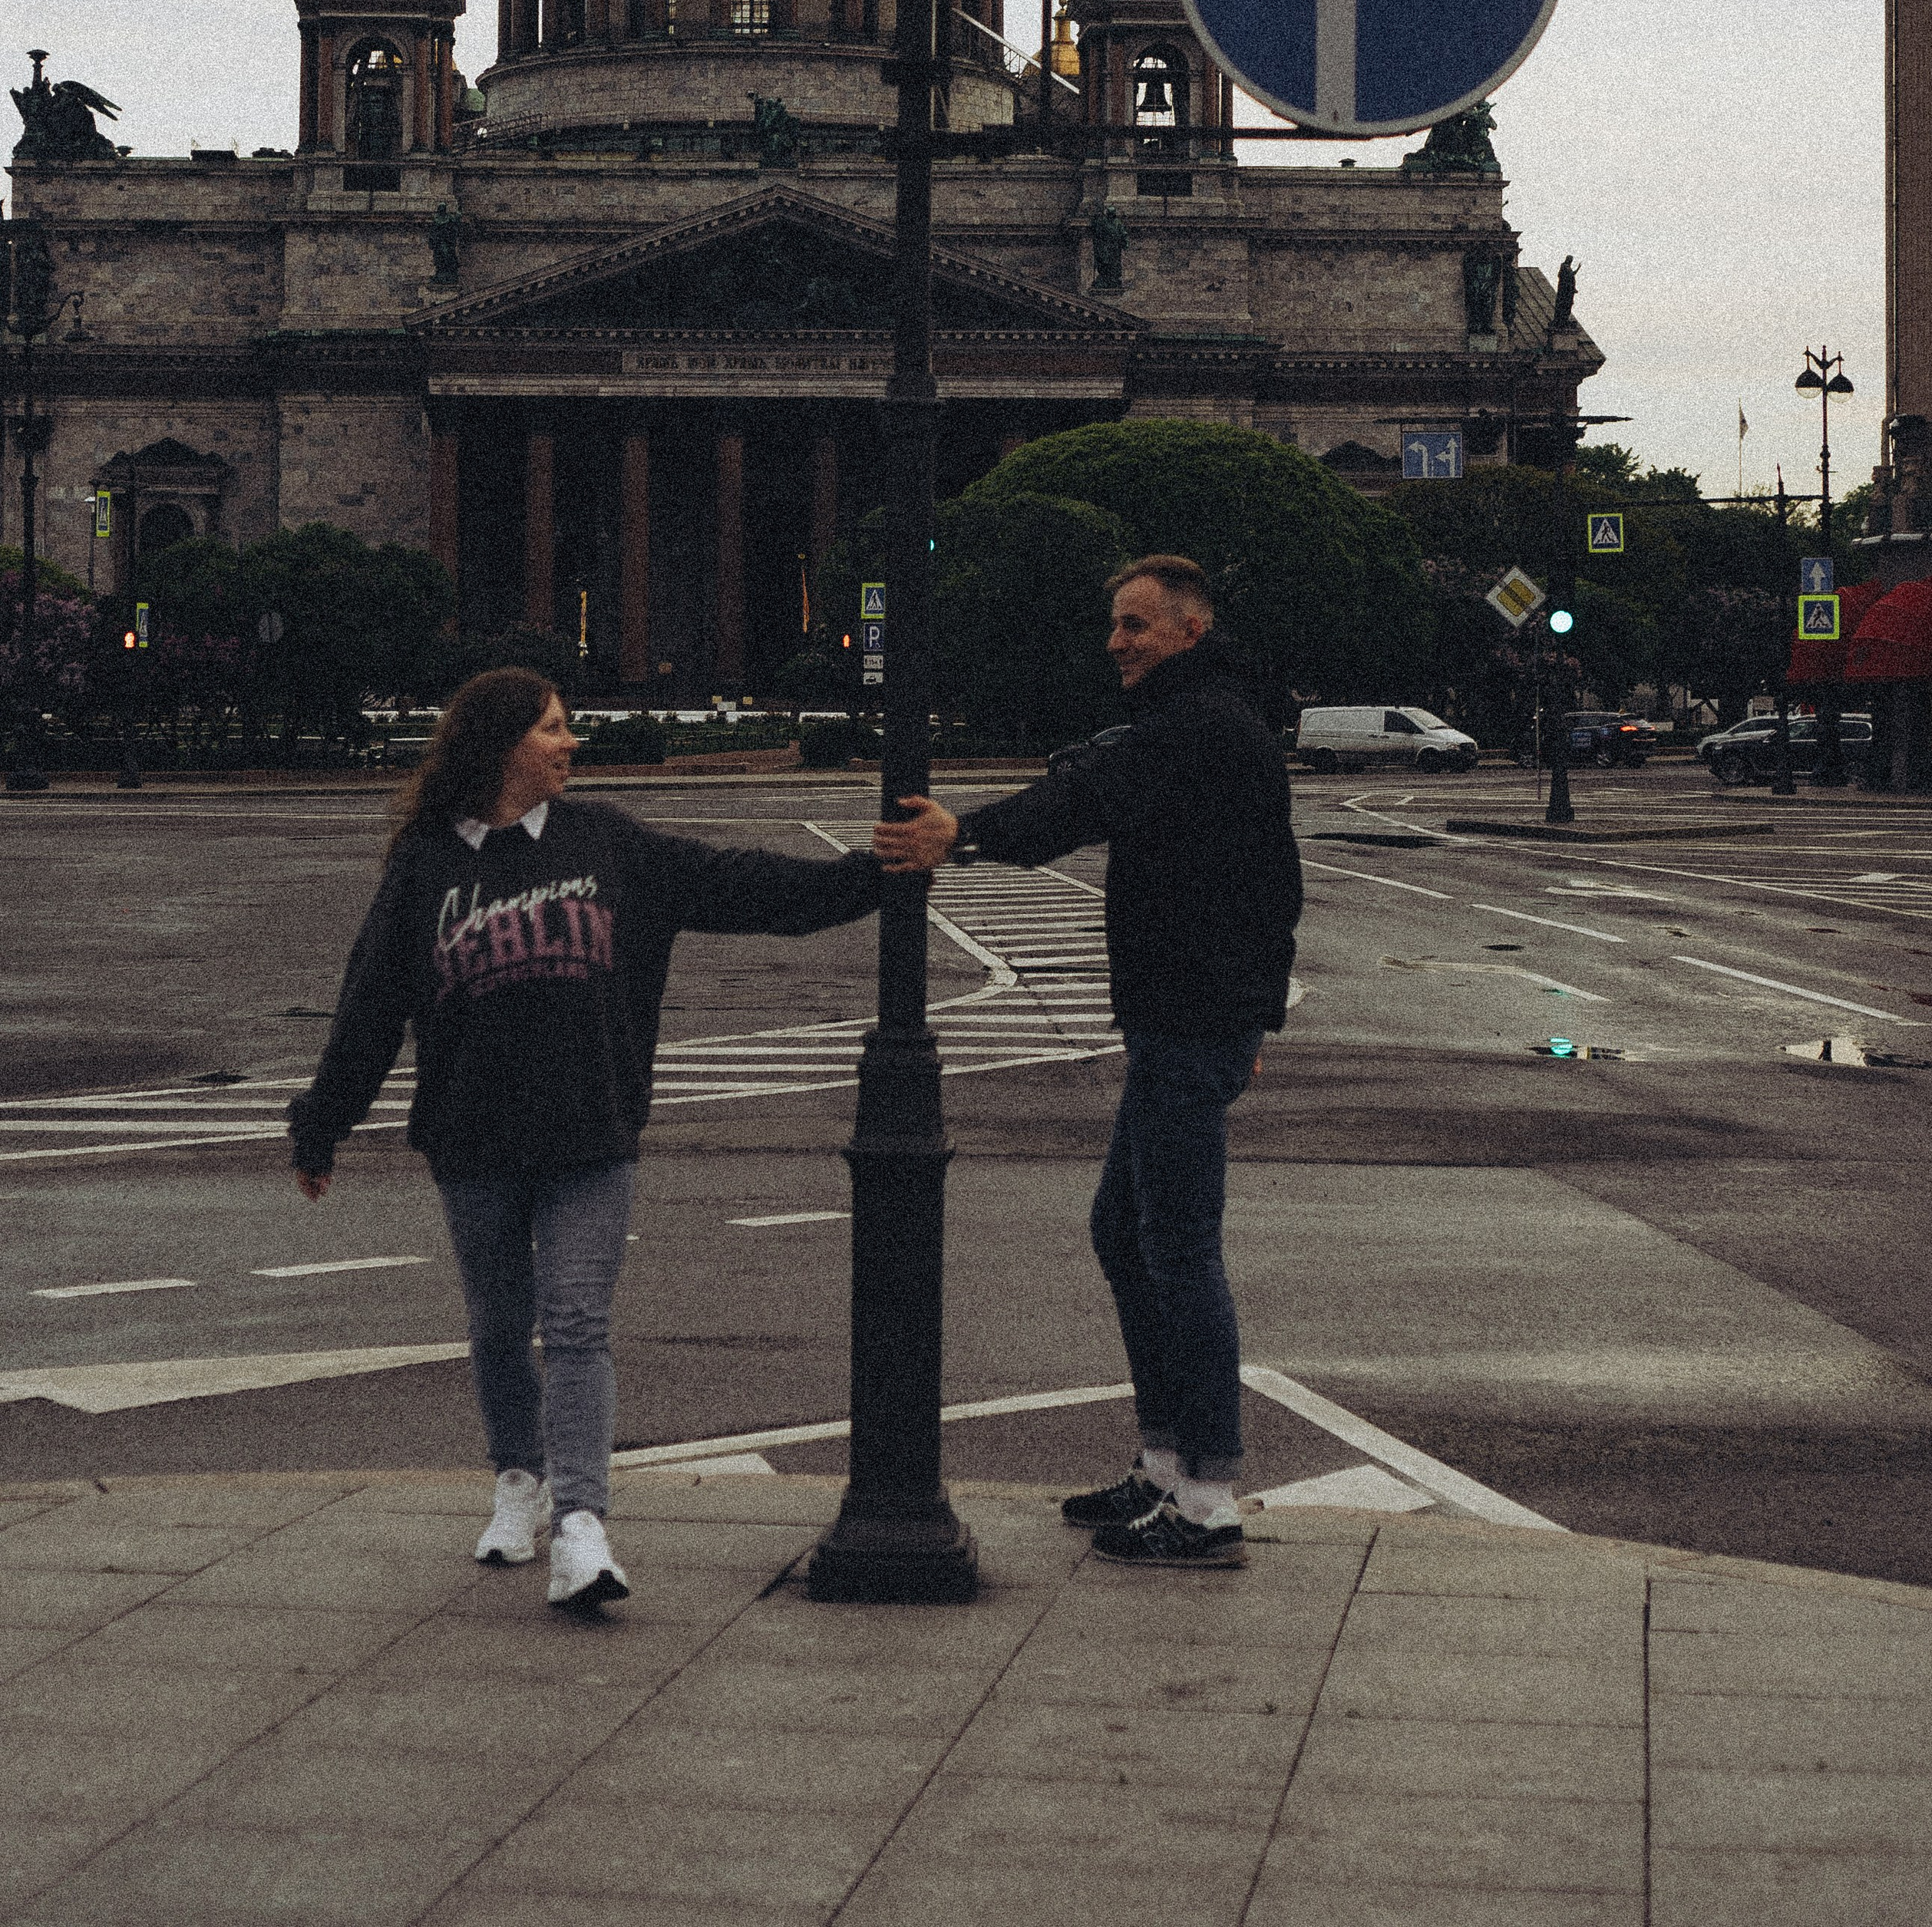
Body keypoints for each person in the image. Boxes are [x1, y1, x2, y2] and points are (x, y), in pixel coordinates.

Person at [288, 667, 890, 1611]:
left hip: (589, 1128)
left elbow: (747, 886)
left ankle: (581, 1525)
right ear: (500, 746)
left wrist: (871, 877)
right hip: (473, 1136)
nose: (573, 744)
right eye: (555, 729)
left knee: (574, 1325)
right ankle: (516, 1482)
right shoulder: (424, 863)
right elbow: (371, 1004)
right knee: (496, 1326)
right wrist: (321, 1124)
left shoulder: (606, 843)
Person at [872, 555, 1300, 1569]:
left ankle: (1206, 1498)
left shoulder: (1197, 730)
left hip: (1189, 1022)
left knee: (1179, 1250)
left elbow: (1079, 802)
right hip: (1188, 1019)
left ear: (1190, 631)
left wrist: (959, 835)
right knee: (1124, 1230)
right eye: (1116, 624)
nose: (1117, 641)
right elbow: (1108, 785)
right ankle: (1161, 1465)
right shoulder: (1199, 721)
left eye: (1136, 625)